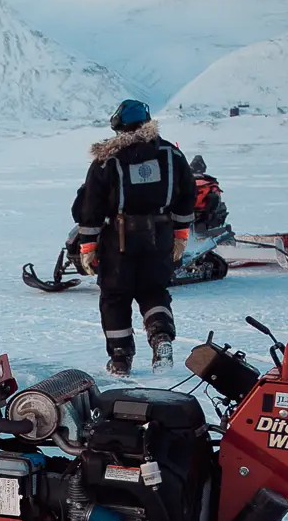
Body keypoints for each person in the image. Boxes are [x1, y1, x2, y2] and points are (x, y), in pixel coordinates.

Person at [73, 99, 196, 376]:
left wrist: (88, 246)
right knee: (154, 290)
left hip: (119, 240)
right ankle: (161, 338)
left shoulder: (107, 160)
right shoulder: (171, 155)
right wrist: (180, 235)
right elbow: (188, 193)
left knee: (115, 296)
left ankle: (120, 359)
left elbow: (90, 205)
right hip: (160, 236)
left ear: (118, 126)